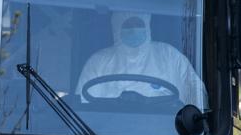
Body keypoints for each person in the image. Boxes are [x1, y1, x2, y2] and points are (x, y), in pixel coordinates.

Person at [76, 11, 206, 107]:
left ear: (147, 26)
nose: (133, 30)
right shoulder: (98, 62)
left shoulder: (168, 56)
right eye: (127, 25)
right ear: (116, 28)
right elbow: (82, 106)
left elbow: (194, 90)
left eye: (138, 24)